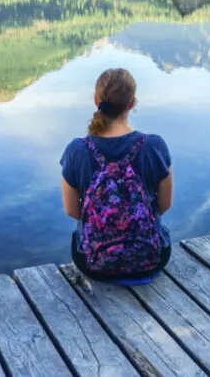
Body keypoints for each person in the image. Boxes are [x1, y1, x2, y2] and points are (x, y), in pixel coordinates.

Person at [60, 68, 173, 284]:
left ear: (96, 101)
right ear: (132, 103)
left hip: (93, 262)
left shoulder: (77, 150)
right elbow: (164, 205)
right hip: (152, 258)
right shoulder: (154, 146)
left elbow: (72, 211)